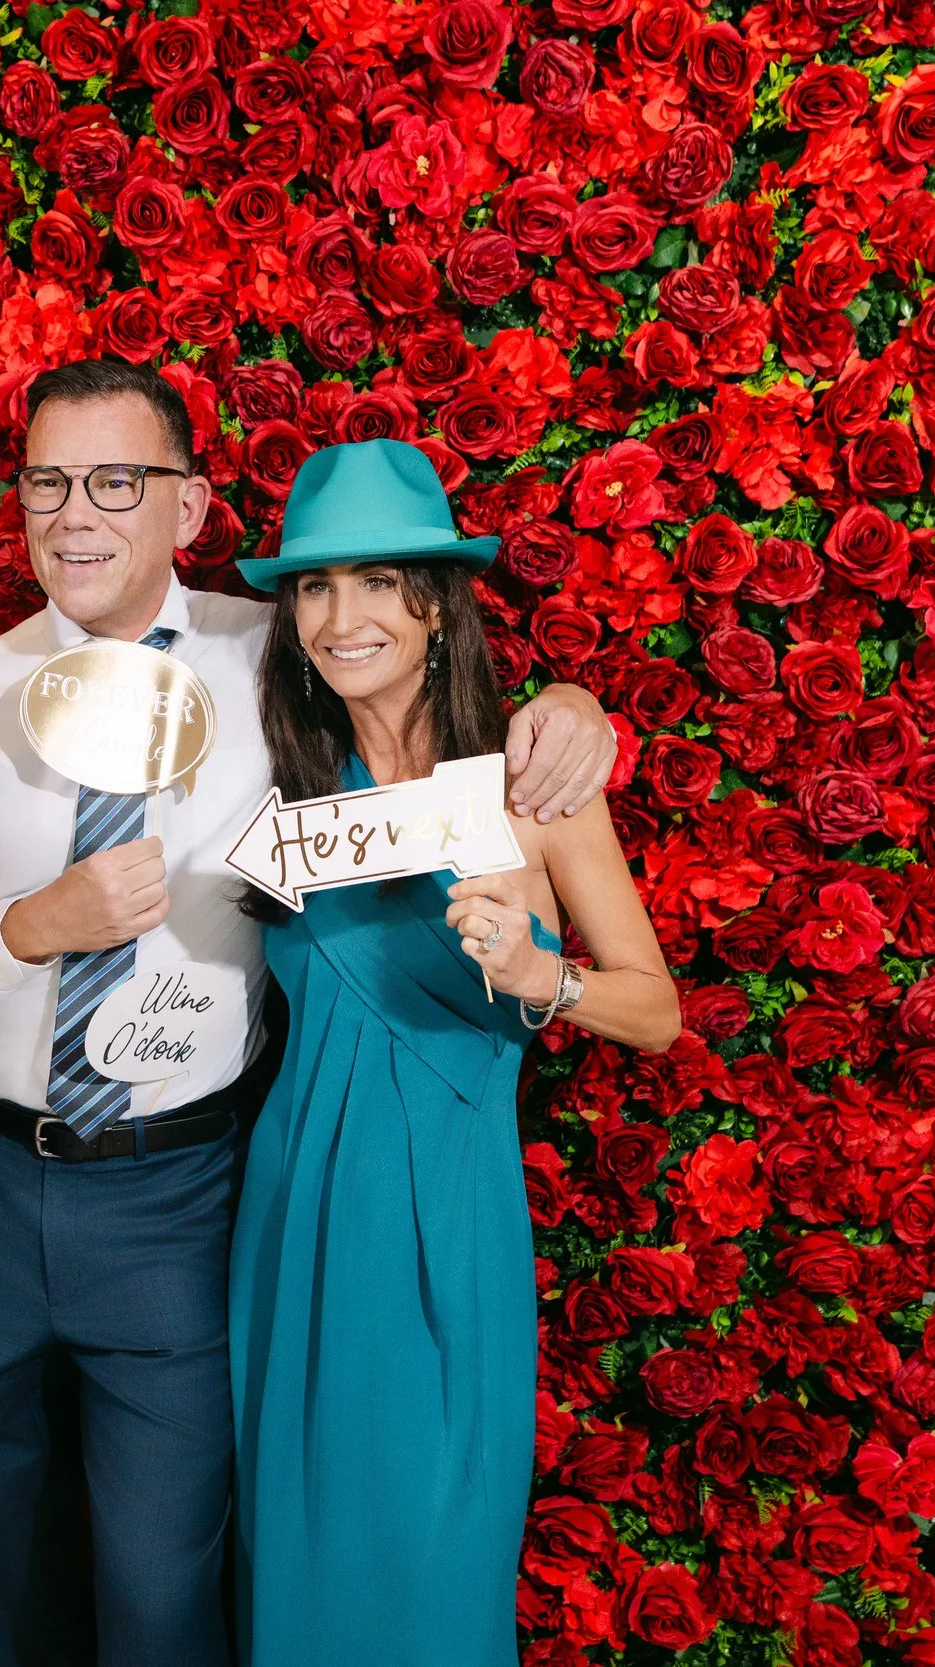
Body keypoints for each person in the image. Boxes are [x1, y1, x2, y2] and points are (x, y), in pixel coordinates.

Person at [0, 359, 622, 1667]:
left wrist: (575, 713)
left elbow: (453, 730)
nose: (78, 514)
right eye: (49, 483)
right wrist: (28, 928)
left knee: (167, 1586)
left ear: (189, 506)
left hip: (186, 1192)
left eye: (117, 480)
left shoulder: (270, 658)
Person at [227, 440, 682, 1666]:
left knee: (433, 1557)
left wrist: (546, 977)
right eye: (314, 588)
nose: (341, 615)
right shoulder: (277, 776)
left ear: (436, 605)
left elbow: (656, 1008)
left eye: (378, 581)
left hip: (443, 1214)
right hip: (293, 1210)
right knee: (299, 1557)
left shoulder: (533, 784)